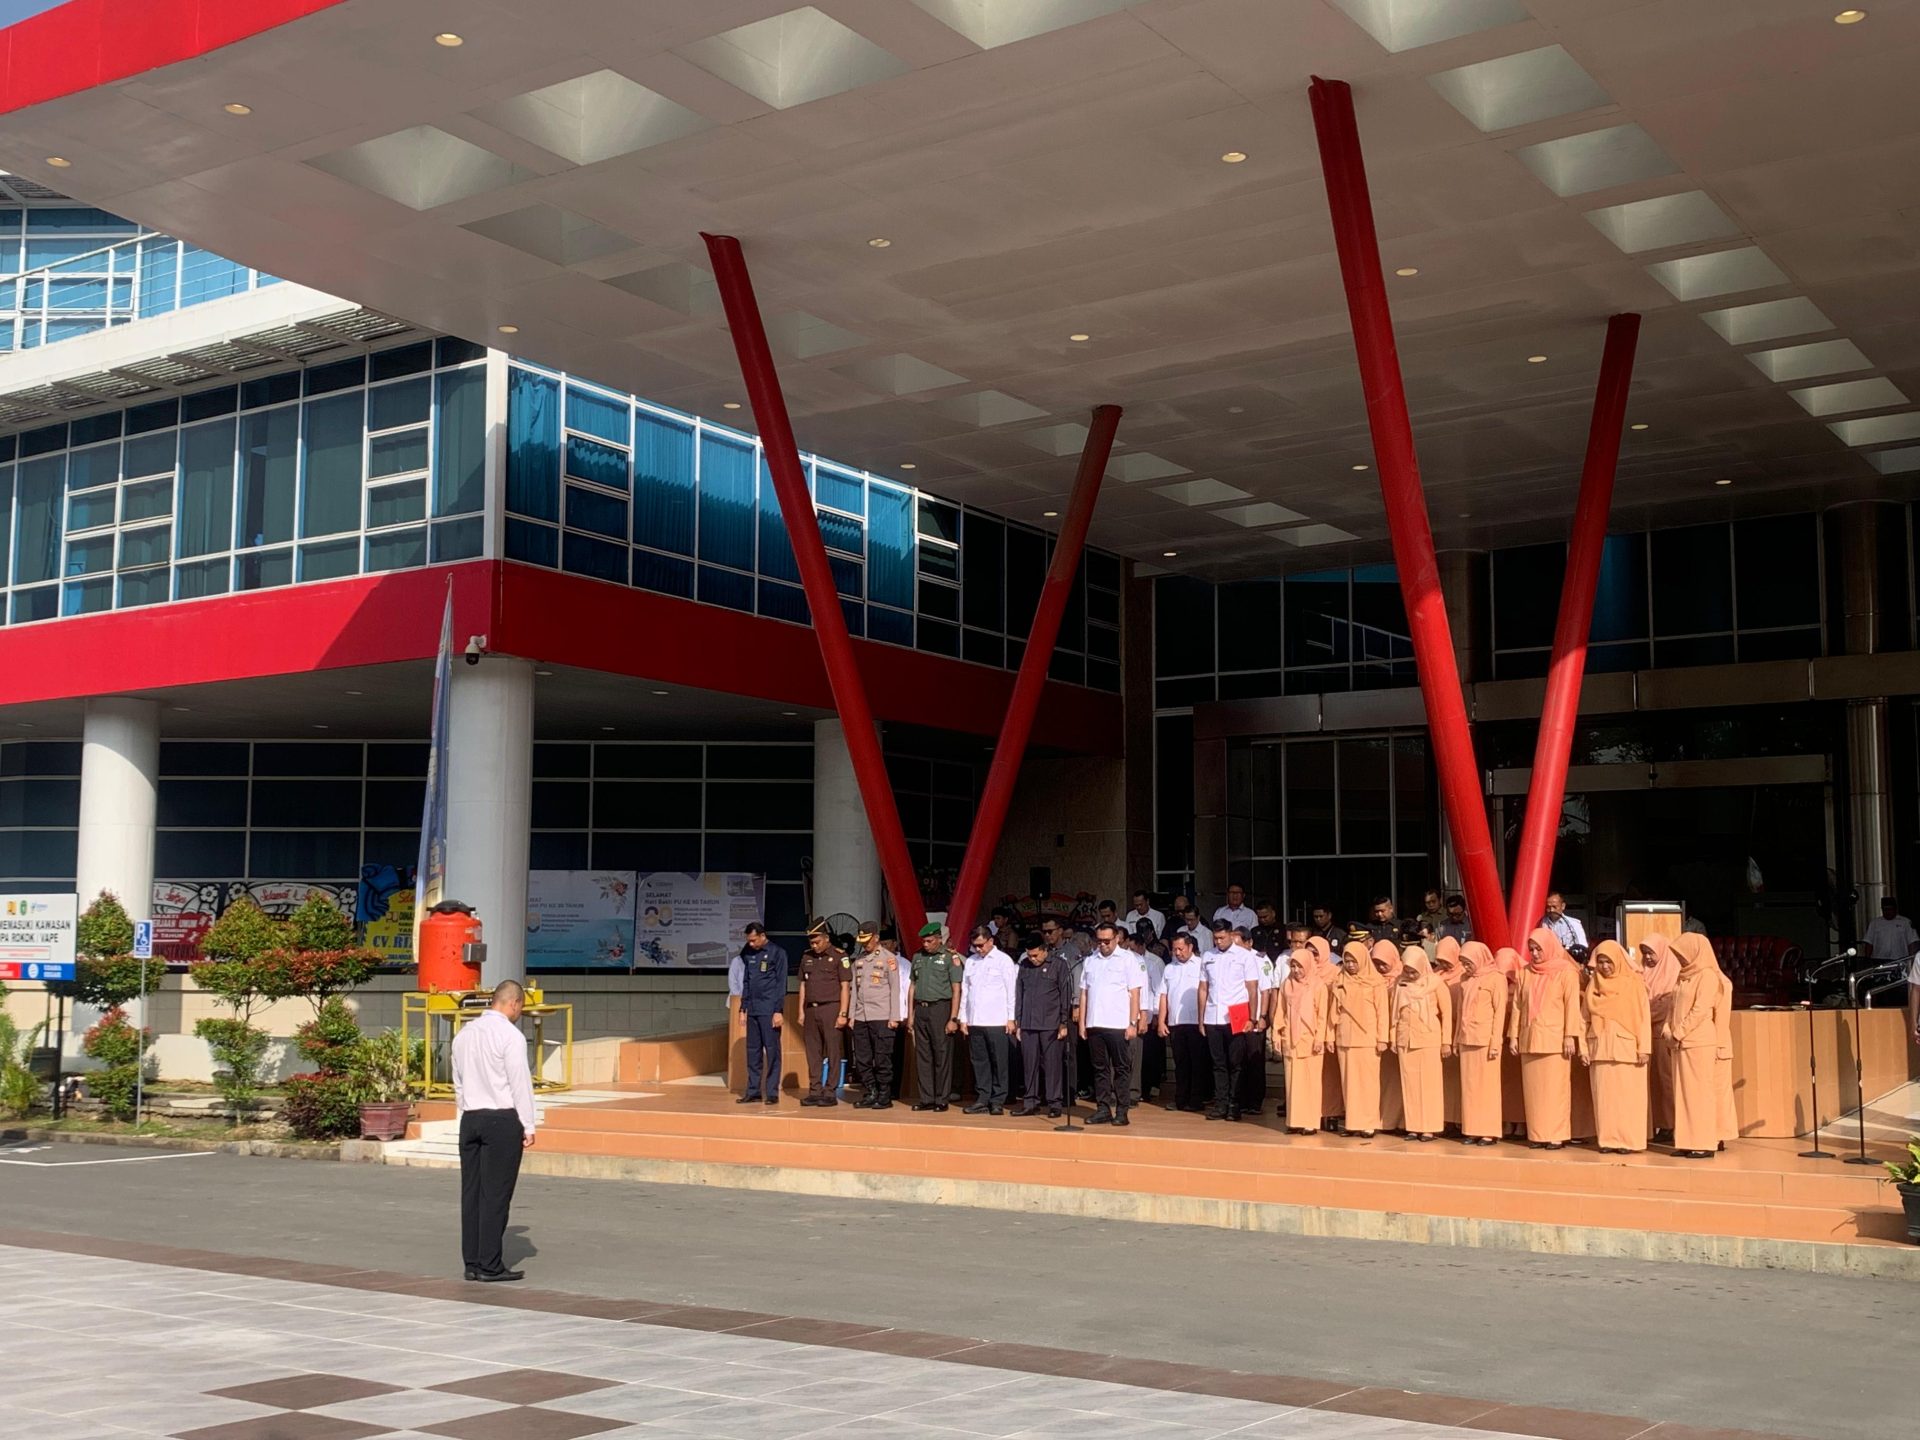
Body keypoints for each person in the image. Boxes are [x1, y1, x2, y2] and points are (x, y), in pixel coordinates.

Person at [452, 979, 537, 1282]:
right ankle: (490, 1264)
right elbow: (519, 1083)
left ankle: (472, 1262)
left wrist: (465, 1112)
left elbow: (458, 1082)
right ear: (514, 1003)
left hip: (471, 1117)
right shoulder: (510, 1036)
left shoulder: (464, 1034)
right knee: (496, 1194)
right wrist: (528, 1124)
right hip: (501, 1119)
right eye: (520, 1008)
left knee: (472, 1193)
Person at [1509, 927, 1582, 1149]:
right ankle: (1538, 1134)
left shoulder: (1566, 971)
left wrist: (1569, 1035)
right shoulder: (1525, 972)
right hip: (1529, 1037)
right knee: (1534, 1092)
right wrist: (1513, 1036)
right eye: (1531, 949)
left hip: (1555, 1040)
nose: (1535, 954)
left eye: (1538, 949)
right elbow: (1517, 1006)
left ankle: (1556, 1135)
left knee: (1555, 1090)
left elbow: (1572, 1005)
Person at [1583, 940, 1652, 1154]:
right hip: (1599, 1047)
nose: (1604, 966)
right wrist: (1583, 1048)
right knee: (1604, 1099)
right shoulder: (1593, 985)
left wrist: (1644, 1048)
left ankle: (1628, 1141)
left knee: (1628, 1098)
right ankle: (1608, 1140)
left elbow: (1643, 1017)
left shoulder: (1634, 984)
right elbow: (1583, 1018)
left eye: (1609, 962)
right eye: (1601, 962)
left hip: (1627, 1049)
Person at [1665, 933, 1730, 1158]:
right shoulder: (1683, 977)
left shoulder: (1707, 976)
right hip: (1679, 1043)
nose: (1680, 959)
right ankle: (1687, 1141)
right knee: (1683, 1094)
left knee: (1699, 1094)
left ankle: (1703, 1143)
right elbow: (1672, 1007)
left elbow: (1700, 1010)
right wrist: (1667, 1029)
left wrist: (1678, 1033)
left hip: (1698, 1042)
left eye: (1682, 954)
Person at [1079, 924, 1142, 1126]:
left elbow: (1135, 993)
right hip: (1095, 1022)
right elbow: (1084, 993)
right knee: (1100, 1069)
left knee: (1121, 1068)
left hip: (1118, 1023)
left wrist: (1133, 1022)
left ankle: (1122, 1111)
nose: (1103, 945)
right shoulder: (1090, 960)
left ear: (1117, 939)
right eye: (1099, 941)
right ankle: (1103, 1109)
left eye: (1107, 941)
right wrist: (1082, 1022)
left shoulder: (1128, 959)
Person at [1198, 921, 1258, 1121]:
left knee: (1236, 1063)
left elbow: (1252, 988)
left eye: (1222, 937)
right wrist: (1201, 1019)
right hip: (1213, 1015)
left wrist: (1252, 1017)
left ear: (1231, 935)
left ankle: (1234, 1104)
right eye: (1215, 938)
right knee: (1218, 1063)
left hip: (1236, 1014)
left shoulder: (1244, 956)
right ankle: (1221, 1103)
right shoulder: (1208, 956)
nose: (1218, 941)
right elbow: (1203, 988)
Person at [1392, 943, 1451, 1142]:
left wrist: (1446, 1041)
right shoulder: (1400, 983)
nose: (1410, 975)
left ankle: (1429, 1127)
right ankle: (1413, 1126)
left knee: (1429, 1085)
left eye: (1413, 971)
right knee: (1409, 1085)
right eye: (1407, 970)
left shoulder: (1435, 983)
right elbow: (1394, 1012)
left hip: (1428, 1038)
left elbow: (1447, 1013)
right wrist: (1393, 1037)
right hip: (1405, 1038)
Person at [1332, 940, 1392, 1138]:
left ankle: (1368, 1123)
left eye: (1354, 961)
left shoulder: (1376, 982)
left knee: (1368, 1082)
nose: (1350, 965)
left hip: (1367, 1038)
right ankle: (1353, 1123)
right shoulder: (1340, 980)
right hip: (1345, 1037)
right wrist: (1330, 1036)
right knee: (1349, 1083)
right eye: (1347, 961)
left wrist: (1382, 1038)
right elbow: (1333, 1011)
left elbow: (1382, 1012)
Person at [1275, 935, 1332, 1134]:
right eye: (1293, 966)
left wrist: (1320, 1038)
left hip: (1310, 1038)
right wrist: (1277, 1034)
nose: (1296, 970)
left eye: (1300, 966)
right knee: (1293, 1083)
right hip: (1291, 1038)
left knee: (1310, 1081)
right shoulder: (1287, 984)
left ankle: (1310, 1122)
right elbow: (1280, 1011)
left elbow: (1323, 1015)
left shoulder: (1318, 986)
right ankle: (1295, 1120)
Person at [1014, 933, 1074, 1117]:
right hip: (1028, 1023)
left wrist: (1063, 1022)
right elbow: (1019, 994)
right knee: (1029, 1064)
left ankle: (1054, 1102)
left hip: (1051, 1023)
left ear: (1044, 950)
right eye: (1029, 955)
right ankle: (1030, 1101)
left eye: (1035, 955)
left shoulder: (1059, 965)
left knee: (1052, 1065)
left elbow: (1065, 994)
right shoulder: (1024, 965)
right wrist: (1018, 1021)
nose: (1033, 959)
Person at [959, 926, 1018, 1115]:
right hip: (975, 1019)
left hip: (997, 1019)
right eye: (975, 946)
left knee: (999, 1061)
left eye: (981, 945)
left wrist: (1011, 1018)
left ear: (991, 941)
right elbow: (965, 991)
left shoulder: (1003, 960)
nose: (978, 949)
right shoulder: (971, 961)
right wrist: (963, 1018)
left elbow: (1011, 991)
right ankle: (982, 1098)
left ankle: (998, 1099)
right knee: (979, 1061)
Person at [1454, 942, 1506, 1146]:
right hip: (1467, 1038)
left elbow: (1499, 1012)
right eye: (1464, 963)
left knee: (1487, 1087)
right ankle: (1472, 1129)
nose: (1466, 967)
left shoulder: (1496, 978)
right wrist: (1457, 1038)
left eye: (1469, 963)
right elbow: (1460, 1011)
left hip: (1485, 1040)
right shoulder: (1465, 979)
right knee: (1470, 1088)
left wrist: (1495, 1043)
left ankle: (1488, 1131)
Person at [907, 922, 963, 1112]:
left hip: (941, 1008)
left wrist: (953, 1018)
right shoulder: (917, 957)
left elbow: (956, 989)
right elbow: (912, 986)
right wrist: (910, 1014)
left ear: (939, 939)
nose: (926, 945)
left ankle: (941, 1098)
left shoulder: (949, 957)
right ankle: (926, 1098)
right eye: (924, 941)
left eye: (930, 941)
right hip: (921, 1009)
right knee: (923, 1055)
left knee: (941, 1054)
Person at [796, 920, 851, 1108]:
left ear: (826, 938)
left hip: (831, 1008)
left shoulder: (839, 956)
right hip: (811, 1009)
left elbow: (845, 986)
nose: (814, 945)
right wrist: (801, 1011)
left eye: (817, 942)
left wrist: (843, 1013)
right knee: (813, 1052)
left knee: (833, 1051)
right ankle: (815, 1090)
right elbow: (803, 985)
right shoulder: (807, 956)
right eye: (811, 942)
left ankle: (830, 1091)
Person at [847, 923, 901, 1109]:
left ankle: (884, 1094)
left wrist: (894, 1016)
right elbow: (854, 990)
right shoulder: (859, 960)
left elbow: (895, 989)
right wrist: (852, 1015)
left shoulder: (888, 959)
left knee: (882, 1057)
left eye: (867, 940)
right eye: (862, 941)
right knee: (862, 1057)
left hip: (882, 1015)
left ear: (876, 938)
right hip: (861, 1016)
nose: (865, 944)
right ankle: (871, 1091)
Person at [737, 922, 788, 1106]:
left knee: (772, 1051)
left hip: (769, 1009)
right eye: (749, 941)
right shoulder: (748, 953)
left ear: (762, 936)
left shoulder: (777, 953)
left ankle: (772, 1092)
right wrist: (743, 1008)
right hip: (753, 1009)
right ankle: (753, 1091)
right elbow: (747, 981)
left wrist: (778, 1010)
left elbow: (781, 984)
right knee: (753, 1052)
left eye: (754, 940)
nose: (751, 944)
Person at [1639, 932, 1682, 1141]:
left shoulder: (1673, 974)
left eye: (1651, 953)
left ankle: (1671, 1124)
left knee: (1666, 1081)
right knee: (1653, 1083)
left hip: (1662, 1037)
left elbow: (1665, 1007)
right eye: (1645, 953)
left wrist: (1640, 1013)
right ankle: (1658, 1124)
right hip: (1645, 1036)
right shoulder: (1641, 973)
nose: (1647, 957)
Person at [1160, 932, 1207, 1113]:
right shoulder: (1169, 968)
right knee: (1180, 1063)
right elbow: (1163, 995)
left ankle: (1196, 1100)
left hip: (1196, 1022)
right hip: (1176, 1022)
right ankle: (1180, 1099)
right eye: (1174, 950)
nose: (1177, 953)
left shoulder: (1201, 965)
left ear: (1190, 947)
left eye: (1181, 949)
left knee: (1197, 1063)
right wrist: (1162, 1021)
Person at [1864, 897, 1918, 963]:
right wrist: (1867, 960)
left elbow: (1912, 942)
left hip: (1900, 960)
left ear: (1895, 909)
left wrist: (1912, 961)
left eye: (1890, 909)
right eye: (1885, 909)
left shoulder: (1905, 922)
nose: (1887, 912)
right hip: (1878, 960)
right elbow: (1869, 943)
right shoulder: (1874, 923)